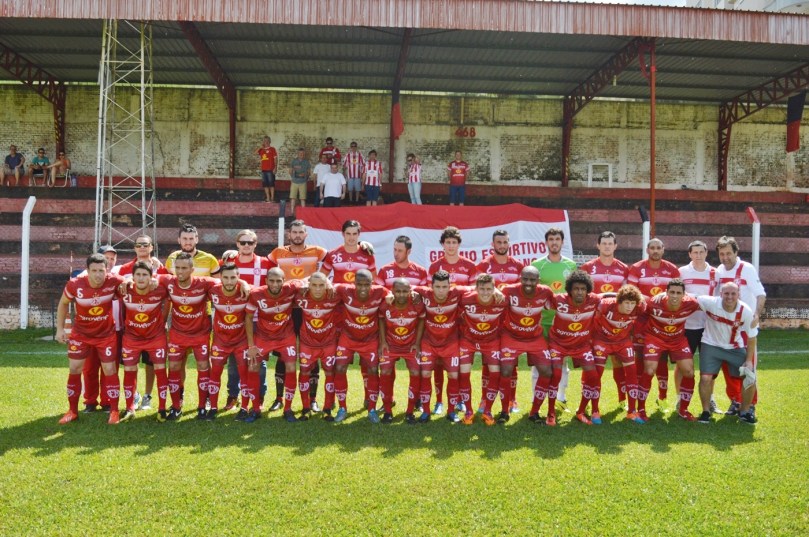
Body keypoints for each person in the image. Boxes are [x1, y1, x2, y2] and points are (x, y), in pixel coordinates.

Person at [55, 253, 125, 424]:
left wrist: (127, 283)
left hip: (105, 335)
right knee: (74, 369)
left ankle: (114, 411)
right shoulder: (75, 284)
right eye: (94, 270)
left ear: (106, 270)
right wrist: (60, 329)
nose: (98, 275)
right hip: (81, 334)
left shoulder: (113, 281)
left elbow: (127, 281)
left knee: (110, 370)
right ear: (87, 271)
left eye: (101, 270)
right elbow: (63, 303)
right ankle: (72, 411)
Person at [267, 219, 327, 412]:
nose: (298, 235)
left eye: (301, 232)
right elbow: (260, 264)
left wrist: (361, 245)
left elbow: (341, 256)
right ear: (289, 234)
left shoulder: (317, 251)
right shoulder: (277, 253)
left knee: (313, 351)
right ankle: (278, 398)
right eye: (295, 232)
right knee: (283, 353)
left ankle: (313, 399)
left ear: (306, 234)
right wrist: (234, 254)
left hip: (310, 309)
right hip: (286, 309)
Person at [536, 270, 600, 426]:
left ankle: (581, 411)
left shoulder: (594, 301)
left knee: (593, 376)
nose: (579, 292)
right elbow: (536, 301)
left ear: (588, 290)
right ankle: (551, 413)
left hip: (582, 345)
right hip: (558, 343)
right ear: (570, 289)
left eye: (583, 289)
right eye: (576, 288)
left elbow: (613, 298)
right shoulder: (559, 300)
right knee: (556, 375)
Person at [160, 252, 219, 420]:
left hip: (200, 333)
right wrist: (127, 281)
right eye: (177, 268)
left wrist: (243, 283)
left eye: (184, 268)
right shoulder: (168, 281)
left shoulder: (204, 283)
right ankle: (176, 406)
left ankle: (202, 405)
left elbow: (228, 281)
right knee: (174, 367)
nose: (180, 272)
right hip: (178, 333)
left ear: (192, 269)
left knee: (202, 366)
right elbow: (145, 278)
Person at [714, 235, 766, 418]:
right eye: (722, 254)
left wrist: (757, 314)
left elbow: (761, 294)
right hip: (726, 327)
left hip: (745, 327)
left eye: (729, 253)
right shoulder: (719, 270)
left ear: (736, 252)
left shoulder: (747, 269)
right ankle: (735, 401)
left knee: (747, 366)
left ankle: (750, 404)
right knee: (728, 367)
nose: (725, 257)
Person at [220, 230, 271, 413]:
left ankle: (259, 395)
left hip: (258, 320)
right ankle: (233, 395)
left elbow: (274, 284)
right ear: (237, 244)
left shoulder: (265, 263)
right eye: (243, 242)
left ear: (256, 244)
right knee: (234, 361)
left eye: (250, 242)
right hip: (233, 320)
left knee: (258, 359)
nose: (247, 245)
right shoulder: (227, 262)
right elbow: (213, 280)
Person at [627, 238, 681, 413]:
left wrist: (661, 303)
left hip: (663, 322)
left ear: (663, 250)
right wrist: (651, 302)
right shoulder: (636, 268)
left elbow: (677, 293)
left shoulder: (672, 269)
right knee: (640, 359)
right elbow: (632, 293)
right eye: (653, 248)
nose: (655, 251)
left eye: (659, 248)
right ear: (647, 250)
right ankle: (635, 400)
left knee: (662, 359)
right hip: (641, 321)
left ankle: (662, 398)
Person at [428, 226, 478, 413]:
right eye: (447, 242)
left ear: (459, 244)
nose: (450, 246)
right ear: (442, 244)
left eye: (454, 242)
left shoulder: (469, 266)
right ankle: (439, 401)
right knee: (439, 364)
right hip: (441, 322)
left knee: (458, 365)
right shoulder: (435, 267)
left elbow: (474, 293)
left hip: (463, 323)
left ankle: (458, 400)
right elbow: (430, 293)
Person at [117, 235, 169, 412]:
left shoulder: (161, 268)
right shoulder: (124, 268)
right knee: (130, 366)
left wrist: (159, 278)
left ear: (151, 247)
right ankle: (134, 396)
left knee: (151, 364)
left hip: (154, 328)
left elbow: (172, 287)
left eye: (145, 245)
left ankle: (147, 395)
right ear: (134, 248)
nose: (142, 247)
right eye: (138, 245)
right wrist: (126, 280)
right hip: (131, 328)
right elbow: (115, 284)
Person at [476, 229, 525, 413]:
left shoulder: (518, 266)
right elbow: (477, 289)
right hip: (489, 322)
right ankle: (483, 399)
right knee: (488, 362)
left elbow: (522, 292)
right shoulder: (484, 265)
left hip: (511, 322)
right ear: (493, 244)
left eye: (505, 242)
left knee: (511, 363)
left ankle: (512, 399)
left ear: (509, 244)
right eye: (499, 242)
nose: (502, 245)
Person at [696, 282, 759, 424]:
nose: (729, 297)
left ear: (738, 295)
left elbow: (752, 337)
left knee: (749, 377)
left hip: (734, 348)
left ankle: (745, 411)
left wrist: (749, 361)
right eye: (726, 293)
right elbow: (688, 297)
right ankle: (706, 412)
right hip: (710, 345)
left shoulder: (745, 311)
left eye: (733, 293)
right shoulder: (710, 303)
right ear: (721, 294)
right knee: (705, 378)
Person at [245, 268, 303, 422]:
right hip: (264, 336)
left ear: (284, 281)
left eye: (279, 281)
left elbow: (308, 282)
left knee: (291, 367)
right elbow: (249, 318)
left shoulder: (291, 289)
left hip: (286, 336)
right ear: (266, 281)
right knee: (252, 366)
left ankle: (288, 409)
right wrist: (251, 346)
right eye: (272, 280)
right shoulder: (256, 294)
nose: (275, 284)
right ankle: (255, 408)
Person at [638, 279, 700, 422]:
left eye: (678, 293)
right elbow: (638, 306)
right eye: (671, 292)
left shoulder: (692, 304)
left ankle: (683, 410)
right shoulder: (654, 302)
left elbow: (710, 304)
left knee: (689, 371)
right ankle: (641, 409)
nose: (674, 296)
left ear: (684, 295)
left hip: (677, 340)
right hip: (655, 338)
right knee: (649, 370)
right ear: (666, 292)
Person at [580, 231, 630, 407]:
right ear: (598, 246)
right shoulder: (587, 268)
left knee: (618, 360)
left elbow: (627, 296)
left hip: (616, 324)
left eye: (610, 243)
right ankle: (587, 402)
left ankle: (622, 399)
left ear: (615, 246)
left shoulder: (624, 268)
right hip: (594, 323)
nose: (607, 246)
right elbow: (582, 294)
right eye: (604, 243)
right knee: (592, 362)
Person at [531, 227, 577, 413]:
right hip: (542, 321)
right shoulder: (537, 264)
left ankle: (561, 398)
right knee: (538, 362)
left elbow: (574, 293)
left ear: (562, 242)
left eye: (557, 239)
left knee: (562, 362)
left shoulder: (571, 266)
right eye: (551, 239)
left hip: (563, 322)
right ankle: (537, 397)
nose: (554, 242)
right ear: (546, 242)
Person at [500, 266, 554, 424]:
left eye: (532, 280)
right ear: (520, 278)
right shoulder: (508, 291)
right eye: (525, 279)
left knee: (546, 371)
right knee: (506, 370)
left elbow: (560, 303)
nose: (528, 283)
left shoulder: (545, 292)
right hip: (511, 336)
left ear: (538, 281)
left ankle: (534, 412)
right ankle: (504, 411)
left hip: (534, 338)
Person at [335, 270, 389, 423]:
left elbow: (393, 294)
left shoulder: (380, 292)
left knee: (372, 370)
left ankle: (372, 409)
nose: (363, 288)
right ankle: (342, 408)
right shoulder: (344, 290)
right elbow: (326, 286)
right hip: (348, 338)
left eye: (367, 284)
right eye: (359, 284)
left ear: (372, 284)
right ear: (354, 284)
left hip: (370, 339)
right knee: (339, 368)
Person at [413, 270, 466, 423]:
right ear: (431, 286)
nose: (441, 290)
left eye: (444, 287)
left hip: (450, 344)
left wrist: (495, 290)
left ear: (450, 286)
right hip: (429, 343)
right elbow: (406, 287)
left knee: (453, 376)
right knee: (425, 375)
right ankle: (426, 411)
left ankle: (451, 411)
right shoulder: (424, 292)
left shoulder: (456, 292)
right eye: (437, 287)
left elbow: (477, 287)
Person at [457, 273, 507, 425]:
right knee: (463, 374)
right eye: (482, 289)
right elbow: (452, 290)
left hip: (491, 341)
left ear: (494, 288)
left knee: (496, 373)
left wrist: (498, 291)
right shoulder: (465, 298)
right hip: (468, 340)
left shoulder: (502, 301)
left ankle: (488, 410)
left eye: (489, 289)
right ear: (476, 288)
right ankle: (469, 411)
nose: (485, 293)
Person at [591, 284, 646, 423]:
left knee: (632, 371)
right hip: (602, 340)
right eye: (627, 303)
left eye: (632, 303)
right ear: (619, 301)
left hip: (623, 341)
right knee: (597, 373)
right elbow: (592, 307)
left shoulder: (639, 307)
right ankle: (595, 411)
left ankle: (632, 411)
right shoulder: (605, 305)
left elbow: (647, 305)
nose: (629, 307)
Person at [207, 264, 254, 421]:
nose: (229, 281)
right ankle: (213, 408)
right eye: (225, 277)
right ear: (220, 277)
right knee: (215, 373)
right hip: (220, 341)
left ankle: (245, 408)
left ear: (238, 277)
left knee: (244, 374)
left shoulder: (247, 291)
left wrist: (245, 284)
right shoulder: (212, 289)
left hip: (241, 341)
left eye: (233, 277)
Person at [679, 240, 721, 414]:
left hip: (709, 326)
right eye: (694, 252)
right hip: (687, 325)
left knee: (709, 367)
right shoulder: (681, 272)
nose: (698, 255)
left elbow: (719, 298)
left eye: (701, 252)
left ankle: (710, 400)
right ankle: (679, 400)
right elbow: (678, 294)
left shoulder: (715, 273)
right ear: (689, 254)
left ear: (706, 253)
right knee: (683, 366)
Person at [378, 278, 427, 424]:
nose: (401, 294)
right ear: (392, 291)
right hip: (390, 345)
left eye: (405, 291)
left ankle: (410, 411)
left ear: (410, 292)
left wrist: (417, 343)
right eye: (398, 291)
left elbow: (422, 320)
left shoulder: (417, 305)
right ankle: (387, 410)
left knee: (415, 372)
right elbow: (380, 319)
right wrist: (383, 342)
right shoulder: (386, 304)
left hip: (410, 346)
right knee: (385, 371)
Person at [296, 272, 342, 421]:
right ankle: (305, 408)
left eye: (321, 285)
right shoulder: (300, 294)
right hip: (307, 343)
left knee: (330, 373)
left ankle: (327, 409)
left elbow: (351, 287)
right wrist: (303, 282)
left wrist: (332, 285)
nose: (317, 289)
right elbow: (288, 284)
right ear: (308, 285)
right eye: (314, 285)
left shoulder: (334, 295)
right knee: (304, 373)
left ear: (326, 285)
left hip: (328, 343)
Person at [256, 136, 278, 203]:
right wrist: (261, 147)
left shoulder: (272, 149)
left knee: (271, 184)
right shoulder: (261, 150)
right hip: (263, 170)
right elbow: (255, 152)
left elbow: (276, 159)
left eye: (267, 140)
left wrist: (275, 167)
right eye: (264, 140)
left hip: (270, 169)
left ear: (270, 141)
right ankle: (268, 198)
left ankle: (272, 198)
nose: (266, 142)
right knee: (265, 185)